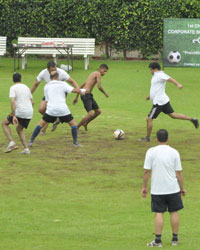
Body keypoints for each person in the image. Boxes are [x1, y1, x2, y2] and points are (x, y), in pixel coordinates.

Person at [141, 129, 186, 247]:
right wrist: (182, 188)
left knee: (159, 213)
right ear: (168, 138)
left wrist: (144, 187)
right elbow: (178, 173)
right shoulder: (174, 152)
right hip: (173, 188)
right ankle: (175, 239)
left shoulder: (151, 152)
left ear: (156, 139)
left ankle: (158, 241)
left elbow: (146, 171)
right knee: (174, 212)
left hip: (157, 189)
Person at [140, 62, 199, 141]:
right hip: (163, 100)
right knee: (173, 115)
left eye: (150, 70)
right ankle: (193, 119)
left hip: (159, 103)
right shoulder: (156, 75)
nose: (150, 71)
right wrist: (150, 96)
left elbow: (169, 79)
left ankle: (147, 138)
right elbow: (156, 88)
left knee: (149, 119)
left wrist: (178, 84)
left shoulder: (160, 75)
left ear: (154, 69)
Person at [28, 71, 85, 147]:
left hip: (51, 110)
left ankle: (31, 141)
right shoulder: (63, 84)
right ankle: (75, 143)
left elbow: (47, 100)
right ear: (58, 77)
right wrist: (83, 91)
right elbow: (74, 90)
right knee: (73, 124)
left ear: (50, 78)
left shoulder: (46, 86)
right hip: (63, 110)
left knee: (40, 124)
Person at [31, 61, 80, 134]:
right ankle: (56, 119)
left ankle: (73, 128)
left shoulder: (61, 72)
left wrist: (77, 95)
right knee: (41, 109)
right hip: (50, 92)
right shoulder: (43, 73)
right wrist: (29, 96)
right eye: (52, 70)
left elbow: (72, 81)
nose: (54, 72)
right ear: (47, 69)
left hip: (61, 93)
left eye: (55, 69)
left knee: (53, 109)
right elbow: (35, 84)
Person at [2, 73, 34, 154]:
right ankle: (26, 149)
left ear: (13, 80)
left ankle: (11, 143)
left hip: (20, 112)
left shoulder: (13, 88)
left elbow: (12, 101)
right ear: (21, 79)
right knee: (19, 129)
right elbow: (32, 102)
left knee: (4, 123)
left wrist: (14, 115)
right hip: (29, 112)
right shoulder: (26, 87)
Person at [73, 64, 109, 131]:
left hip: (88, 95)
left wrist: (76, 97)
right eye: (104, 71)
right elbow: (99, 86)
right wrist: (105, 93)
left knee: (98, 111)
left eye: (106, 72)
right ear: (101, 69)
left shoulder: (92, 74)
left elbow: (81, 86)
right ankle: (76, 127)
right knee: (90, 114)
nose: (105, 73)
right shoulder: (98, 74)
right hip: (86, 95)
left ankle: (85, 123)